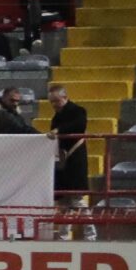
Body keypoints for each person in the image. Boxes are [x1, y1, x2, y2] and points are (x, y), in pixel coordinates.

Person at [47, 85, 91, 228]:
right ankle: (63, 235)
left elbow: (79, 125)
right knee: (64, 203)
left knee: (77, 199)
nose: (54, 105)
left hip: (75, 159)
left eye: (56, 101)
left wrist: (59, 130)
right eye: (51, 102)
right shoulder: (56, 117)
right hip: (62, 161)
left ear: (65, 98)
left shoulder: (78, 111)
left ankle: (90, 232)